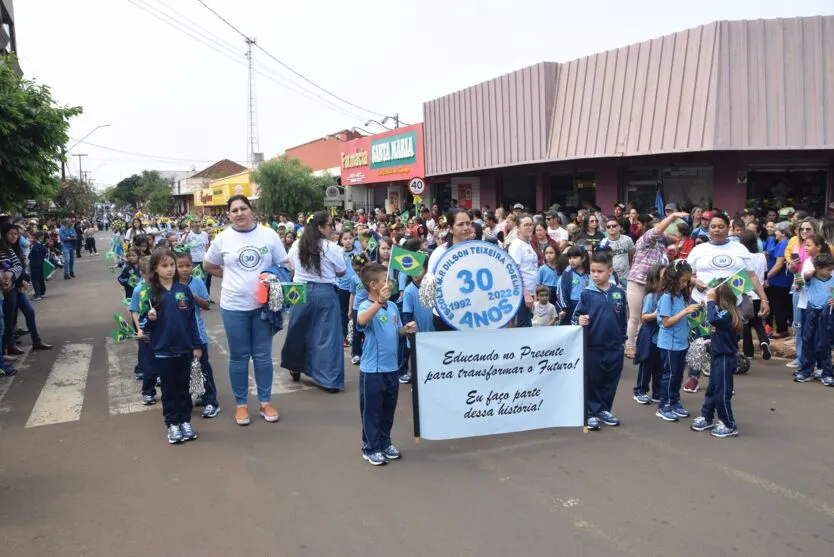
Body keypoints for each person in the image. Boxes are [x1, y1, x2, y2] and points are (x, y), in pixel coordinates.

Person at [203, 194, 289, 426]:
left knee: (262, 356)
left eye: (243, 208)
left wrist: (273, 276)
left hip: (264, 307)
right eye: (234, 210)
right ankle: (241, 405)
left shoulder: (268, 234)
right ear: (229, 214)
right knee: (239, 356)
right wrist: (228, 275)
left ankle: (264, 402)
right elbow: (208, 265)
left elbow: (286, 264)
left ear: (252, 210)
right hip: (234, 306)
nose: (239, 213)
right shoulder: (222, 239)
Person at [684, 213, 769, 392]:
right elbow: (686, 274)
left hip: (732, 305)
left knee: (727, 343)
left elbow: (751, 276)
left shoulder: (739, 249)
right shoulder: (699, 249)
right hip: (702, 302)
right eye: (713, 226)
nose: (716, 230)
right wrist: (694, 281)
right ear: (709, 228)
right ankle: (693, 376)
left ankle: (722, 381)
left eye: (721, 226)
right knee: (699, 340)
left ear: (727, 228)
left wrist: (763, 298)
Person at [139, 248, 203, 444]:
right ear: (155, 269)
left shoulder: (183, 291)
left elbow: (192, 319)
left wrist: (197, 345)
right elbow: (143, 326)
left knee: (184, 389)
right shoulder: (150, 294)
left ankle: (185, 421)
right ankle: (172, 424)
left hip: (184, 349)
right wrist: (149, 320)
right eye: (164, 265)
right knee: (169, 390)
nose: (169, 269)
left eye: (171, 265)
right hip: (163, 351)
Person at [357, 263, 417, 466]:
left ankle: (385, 442)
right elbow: (362, 321)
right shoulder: (366, 306)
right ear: (373, 285)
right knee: (372, 412)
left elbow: (396, 331)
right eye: (385, 280)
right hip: (373, 371)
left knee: (387, 410)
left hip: (391, 369)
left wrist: (406, 329)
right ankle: (370, 447)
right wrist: (378, 303)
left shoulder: (392, 307)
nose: (389, 283)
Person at [281, 211, 347, 393]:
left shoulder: (296, 244)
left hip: (299, 291)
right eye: (330, 226)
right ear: (320, 227)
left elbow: (291, 267)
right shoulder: (331, 247)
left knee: (298, 330)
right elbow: (341, 271)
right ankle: (330, 379)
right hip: (325, 291)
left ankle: (294, 365)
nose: (332, 229)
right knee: (327, 336)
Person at [573, 252, 628, 430]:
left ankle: (604, 409)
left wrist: (624, 340)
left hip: (614, 346)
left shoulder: (619, 293)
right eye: (593, 271)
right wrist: (580, 321)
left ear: (610, 270)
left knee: (610, 380)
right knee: (593, 380)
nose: (596, 275)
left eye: (600, 271)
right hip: (593, 346)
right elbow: (576, 317)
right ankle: (590, 412)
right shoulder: (586, 294)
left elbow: (623, 319)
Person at [625, 211, 690, 358]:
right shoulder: (644, 240)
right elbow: (657, 231)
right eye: (660, 228)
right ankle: (630, 346)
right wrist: (672, 217)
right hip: (638, 281)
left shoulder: (661, 248)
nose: (662, 230)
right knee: (635, 317)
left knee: (646, 317)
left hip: (654, 286)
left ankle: (642, 345)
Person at [690, 283, 743, 437]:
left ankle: (728, 423)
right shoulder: (722, 314)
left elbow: (713, 318)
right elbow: (711, 319)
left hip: (725, 358)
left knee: (722, 392)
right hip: (717, 356)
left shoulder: (727, 315)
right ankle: (707, 416)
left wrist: (710, 300)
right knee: (712, 389)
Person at [175, 251, 220, 418]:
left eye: (188, 265)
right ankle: (192, 396)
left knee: (202, 367)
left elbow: (206, 304)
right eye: (180, 266)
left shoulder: (198, 282)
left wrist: (193, 296)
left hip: (197, 334)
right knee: (185, 369)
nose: (185, 269)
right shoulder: (171, 285)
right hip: (179, 335)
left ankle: (210, 401)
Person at [655, 261, 699, 423]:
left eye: (687, 281)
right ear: (673, 279)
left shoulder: (680, 296)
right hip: (669, 344)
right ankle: (663, 405)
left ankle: (674, 401)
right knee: (669, 374)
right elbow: (666, 322)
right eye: (682, 281)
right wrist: (685, 311)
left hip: (681, 343)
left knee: (678, 375)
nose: (685, 284)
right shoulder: (667, 297)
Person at [1, 224, 52, 356]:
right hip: (9, 288)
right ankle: (9, 345)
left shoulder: (13, 248)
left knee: (29, 312)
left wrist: (21, 278)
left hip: (18, 286)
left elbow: (19, 267)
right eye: (10, 234)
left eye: (16, 234)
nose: (13, 236)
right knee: (9, 318)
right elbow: (8, 271)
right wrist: (16, 277)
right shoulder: (3, 248)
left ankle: (36, 341)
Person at [426, 209, 473, 331]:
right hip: (445, 316)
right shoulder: (440, 253)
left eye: (468, 223)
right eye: (460, 224)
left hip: (471, 316)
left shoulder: (477, 250)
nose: (466, 227)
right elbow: (430, 286)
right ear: (451, 229)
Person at [793, 253, 834, 385]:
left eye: (831, 269)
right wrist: (802, 271)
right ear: (818, 268)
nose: (829, 272)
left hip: (826, 312)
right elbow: (801, 279)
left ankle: (826, 373)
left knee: (824, 343)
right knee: (807, 340)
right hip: (811, 311)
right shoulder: (810, 278)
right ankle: (806, 371)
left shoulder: (832, 278)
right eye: (827, 269)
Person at [399, 257, 434, 384]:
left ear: (426, 269)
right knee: (418, 366)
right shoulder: (409, 290)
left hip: (434, 333)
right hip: (418, 335)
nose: (415, 272)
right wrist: (410, 333)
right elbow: (407, 314)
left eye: (419, 269)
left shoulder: (433, 286)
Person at [632, 264, 664, 405]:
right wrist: (657, 314)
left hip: (661, 337)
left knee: (660, 366)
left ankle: (658, 392)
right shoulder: (651, 296)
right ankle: (640, 390)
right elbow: (644, 317)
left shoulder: (667, 295)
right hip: (650, 334)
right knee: (647, 365)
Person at [739, 231, 771, 360]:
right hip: (759, 294)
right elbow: (764, 274)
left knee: (746, 324)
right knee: (758, 322)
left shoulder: (742, 258)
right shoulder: (762, 257)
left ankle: (749, 352)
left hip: (746, 295)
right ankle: (764, 341)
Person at [508, 216, 537, 328]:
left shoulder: (527, 243)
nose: (529, 227)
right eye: (526, 225)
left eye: (531, 224)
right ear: (518, 228)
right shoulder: (517, 245)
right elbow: (515, 271)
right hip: (521, 293)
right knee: (523, 326)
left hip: (530, 291)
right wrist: (526, 294)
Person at [765, 222, 793, 340]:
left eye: (776, 230)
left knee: (779, 306)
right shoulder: (780, 243)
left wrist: (767, 277)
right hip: (776, 281)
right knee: (776, 305)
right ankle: (780, 328)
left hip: (780, 281)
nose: (774, 232)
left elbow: (779, 264)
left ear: (782, 233)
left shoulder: (784, 244)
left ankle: (782, 330)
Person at [598, 217, 634, 288]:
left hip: (626, 276)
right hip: (610, 277)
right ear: (606, 229)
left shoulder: (627, 239)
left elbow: (632, 255)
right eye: (608, 227)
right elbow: (601, 261)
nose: (611, 228)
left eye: (614, 226)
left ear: (619, 227)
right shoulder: (603, 243)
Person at [558, 246, 590, 325]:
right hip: (572, 304)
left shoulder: (589, 272)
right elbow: (562, 290)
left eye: (575, 257)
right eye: (570, 258)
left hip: (587, 304)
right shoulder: (567, 272)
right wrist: (564, 307)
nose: (571, 260)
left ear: (583, 258)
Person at [182, 221, 212, 300]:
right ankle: (196, 298)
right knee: (198, 279)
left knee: (204, 280)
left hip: (204, 260)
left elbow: (207, 246)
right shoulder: (189, 234)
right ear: (192, 224)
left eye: (199, 221)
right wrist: (186, 235)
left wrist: (208, 257)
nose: (198, 223)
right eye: (196, 222)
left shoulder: (204, 234)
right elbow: (181, 244)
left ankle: (204, 298)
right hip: (194, 260)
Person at [348, 254, 369, 365]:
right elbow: (352, 294)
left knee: (367, 332)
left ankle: (366, 353)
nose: (357, 272)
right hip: (357, 308)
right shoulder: (354, 279)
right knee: (357, 333)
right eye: (355, 270)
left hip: (369, 308)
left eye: (359, 270)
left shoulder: (370, 277)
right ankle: (356, 354)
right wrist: (350, 309)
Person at [28, 232, 48, 300]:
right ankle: (42, 292)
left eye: (30, 238)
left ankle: (37, 294)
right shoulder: (41, 245)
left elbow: (30, 256)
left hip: (34, 264)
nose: (29, 239)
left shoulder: (34, 246)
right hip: (40, 263)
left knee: (35, 279)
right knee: (40, 278)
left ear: (34, 239)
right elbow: (45, 251)